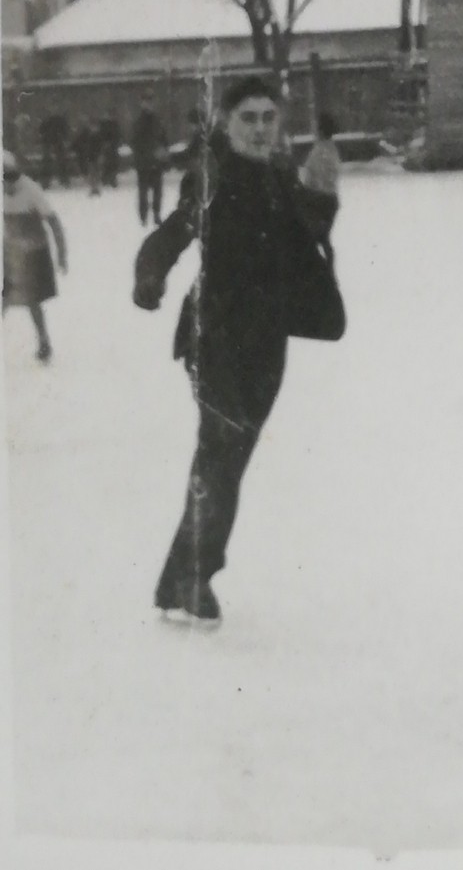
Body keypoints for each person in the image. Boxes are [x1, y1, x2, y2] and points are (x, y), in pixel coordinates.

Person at [133, 74, 340, 627]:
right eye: (247, 118)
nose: (259, 128)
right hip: (215, 336)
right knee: (219, 453)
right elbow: (172, 234)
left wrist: (324, 197)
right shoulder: (212, 175)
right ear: (226, 123)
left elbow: (303, 238)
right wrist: (149, 276)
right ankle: (194, 579)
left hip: (266, 340)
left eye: (268, 118)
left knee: (228, 462)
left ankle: (181, 579)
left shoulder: (278, 175)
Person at [3, 149, 67, 363]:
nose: (7, 185)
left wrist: (62, 254)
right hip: (11, 249)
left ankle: (43, 341)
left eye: (10, 178)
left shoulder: (31, 190)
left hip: (33, 252)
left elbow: (53, 221)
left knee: (32, 301)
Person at [299, 110, 341, 248]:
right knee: (322, 240)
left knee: (312, 239)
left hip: (319, 199)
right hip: (328, 199)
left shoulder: (321, 151)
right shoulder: (330, 149)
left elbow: (315, 177)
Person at [131, 100, 169, 227]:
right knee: (144, 192)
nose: (148, 106)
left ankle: (155, 214)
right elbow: (134, 142)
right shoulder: (140, 123)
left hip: (154, 163)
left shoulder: (156, 122)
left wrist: (162, 153)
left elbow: (164, 140)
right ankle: (144, 216)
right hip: (144, 163)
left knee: (156, 191)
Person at [99, 113, 122, 188]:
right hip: (108, 148)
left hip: (113, 148)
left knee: (113, 165)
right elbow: (103, 135)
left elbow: (118, 136)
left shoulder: (115, 125)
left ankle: (112, 180)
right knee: (108, 164)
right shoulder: (106, 125)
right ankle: (106, 179)